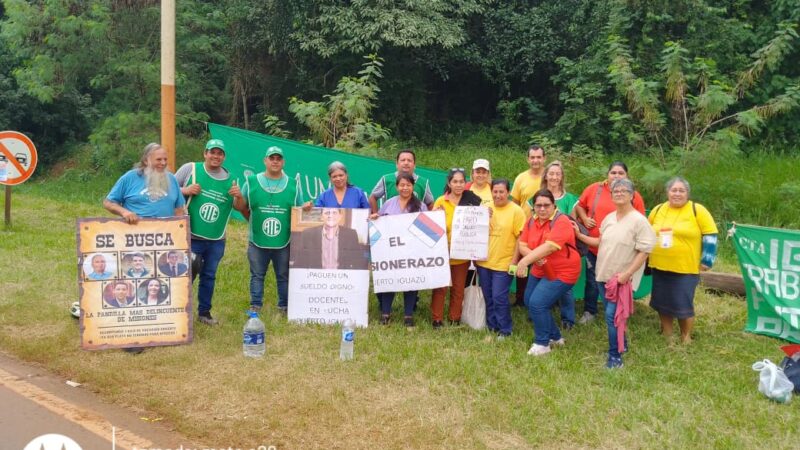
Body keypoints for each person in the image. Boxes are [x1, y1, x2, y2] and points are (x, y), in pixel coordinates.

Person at [104, 142, 185, 353]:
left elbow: (179, 209)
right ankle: (131, 339)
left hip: (164, 243)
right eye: (158, 159)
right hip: (134, 243)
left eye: (165, 159)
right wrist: (124, 213)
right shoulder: (130, 178)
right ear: (146, 160)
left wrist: (181, 235)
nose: (163, 163)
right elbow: (108, 202)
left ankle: (163, 330)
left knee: (161, 284)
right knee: (136, 283)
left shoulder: (172, 179)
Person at [574, 179, 656, 368]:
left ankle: (615, 356)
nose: (619, 193)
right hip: (603, 274)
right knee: (614, 316)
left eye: (623, 190)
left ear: (632, 195)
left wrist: (627, 273)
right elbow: (599, 242)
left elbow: (645, 251)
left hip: (621, 279)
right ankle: (622, 344)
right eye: (615, 191)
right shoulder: (610, 218)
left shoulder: (639, 221)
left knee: (613, 316)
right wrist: (579, 235)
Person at [175, 138, 242, 325]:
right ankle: (179, 312)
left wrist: (238, 197)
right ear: (205, 153)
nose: (216, 156)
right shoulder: (190, 169)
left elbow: (239, 207)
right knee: (185, 274)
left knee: (209, 275)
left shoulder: (232, 179)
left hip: (216, 238)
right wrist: (185, 190)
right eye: (212, 152)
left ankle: (204, 313)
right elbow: (167, 190)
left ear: (224, 157)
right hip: (190, 235)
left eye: (219, 153)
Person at [234, 146, 304, 314]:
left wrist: (307, 209)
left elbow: (299, 212)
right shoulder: (251, 182)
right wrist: (237, 196)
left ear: (283, 162)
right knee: (257, 275)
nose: (275, 161)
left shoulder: (293, 185)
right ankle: (255, 305)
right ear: (265, 161)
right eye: (271, 158)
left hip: (283, 240)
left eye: (278, 158)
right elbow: (240, 207)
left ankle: (284, 306)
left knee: (283, 275)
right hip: (257, 240)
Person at [647, 177, 718, 344]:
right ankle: (667, 332)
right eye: (674, 190)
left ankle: (686, 336)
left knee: (682, 302)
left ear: (687, 193)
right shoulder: (658, 210)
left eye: (681, 190)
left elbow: (711, 234)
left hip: (686, 267)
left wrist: (707, 259)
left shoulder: (697, 210)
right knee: (661, 300)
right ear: (667, 192)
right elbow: (647, 232)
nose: (677, 193)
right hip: (659, 264)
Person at [574, 161, 645, 324]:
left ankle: (619, 312)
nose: (617, 176)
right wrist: (584, 218)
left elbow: (640, 221)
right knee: (593, 280)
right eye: (613, 172)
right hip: (595, 247)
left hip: (622, 252)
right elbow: (579, 205)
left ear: (627, 176)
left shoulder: (634, 195)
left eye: (621, 173)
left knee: (620, 280)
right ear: (607, 174)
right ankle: (590, 311)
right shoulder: (594, 189)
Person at [517, 189, 582, 356]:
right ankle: (555, 337)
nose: (542, 209)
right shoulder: (531, 221)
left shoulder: (562, 221)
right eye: (538, 205)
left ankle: (542, 343)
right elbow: (522, 245)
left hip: (564, 271)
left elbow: (551, 246)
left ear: (554, 205)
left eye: (546, 205)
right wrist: (532, 257)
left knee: (538, 303)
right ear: (534, 207)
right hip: (541, 268)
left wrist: (525, 260)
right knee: (528, 300)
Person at [370, 173, 428, 327]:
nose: (405, 188)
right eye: (402, 185)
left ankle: (408, 315)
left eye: (408, 185)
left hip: (412, 253)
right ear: (396, 187)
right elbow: (380, 223)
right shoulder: (389, 203)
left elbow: (428, 229)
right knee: (390, 280)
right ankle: (385, 313)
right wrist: (375, 217)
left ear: (413, 187)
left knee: (410, 283)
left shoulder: (421, 206)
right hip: (391, 252)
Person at [528, 161, 580, 329]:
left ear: (562, 177)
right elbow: (532, 222)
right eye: (551, 173)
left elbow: (572, 223)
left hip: (560, 252)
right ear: (546, 176)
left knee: (565, 290)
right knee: (538, 289)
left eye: (558, 174)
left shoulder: (570, 199)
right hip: (539, 253)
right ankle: (539, 314)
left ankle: (567, 319)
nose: (554, 177)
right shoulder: (537, 196)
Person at [430, 168, 483, 328]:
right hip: (443, 253)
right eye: (455, 182)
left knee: (459, 288)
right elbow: (432, 228)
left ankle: (455, 317)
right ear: (449, 183)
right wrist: (435, 215)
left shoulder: (473, 201)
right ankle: (437, 318)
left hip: (462, 255)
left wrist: (486, 214)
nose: (458, 185)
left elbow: (478, 226)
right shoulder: (440, 201)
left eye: (461, 181)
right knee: (440, 288)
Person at [475, 179, 525, 338]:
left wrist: (514, 261)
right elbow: (473, 232)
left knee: (499, 297)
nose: (498, 195)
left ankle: (505, 329)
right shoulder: (485, 209)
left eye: (501, 192)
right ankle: (492, 326)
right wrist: (481, 216)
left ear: (508, 193)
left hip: (504, 263)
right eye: (495, 192)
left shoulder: (516, 211)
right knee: (488, 296)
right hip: (483, 262)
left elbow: (520, 238)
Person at [510, 145, 546, 308]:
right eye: (532, 157)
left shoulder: (549, 177)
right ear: (528, 159)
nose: (536, 160)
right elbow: (515, 204)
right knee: (523, 263)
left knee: (545, 262)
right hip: (525, 229)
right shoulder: (521, 178)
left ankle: (545, 298)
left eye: (539, 157)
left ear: (544, 159)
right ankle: (521, 298)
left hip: (546, 229)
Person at [291, 208, 368, 270]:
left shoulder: (351, 234)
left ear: (340, 216)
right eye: (327, 213)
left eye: (334, 213)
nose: (330, 216)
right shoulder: (308, 234)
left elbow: (359, 263)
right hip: (316, 282)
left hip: (342, 281)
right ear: (321, 216)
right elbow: (299, 264)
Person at [368, 149, 434, 212]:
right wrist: (376, 215)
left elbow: (430, 203)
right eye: (403, 160)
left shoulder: (423, 182)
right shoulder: (386, 179)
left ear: (414, 165)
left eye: (409, 160)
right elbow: (372, 197)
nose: (406, 163)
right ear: (397, 164)